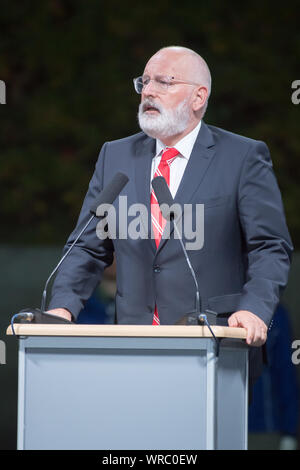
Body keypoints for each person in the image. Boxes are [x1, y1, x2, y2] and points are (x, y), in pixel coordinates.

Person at [47, 46, 293, 373]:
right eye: (144, 82)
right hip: (130, 347)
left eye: (164, 82)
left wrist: (255, 310)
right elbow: (86, 247)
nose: (148, 91)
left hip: (216, 344)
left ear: (198, 97)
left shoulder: (242, 158)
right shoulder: (115, 156)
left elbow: (270, 247)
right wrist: (61, 309)